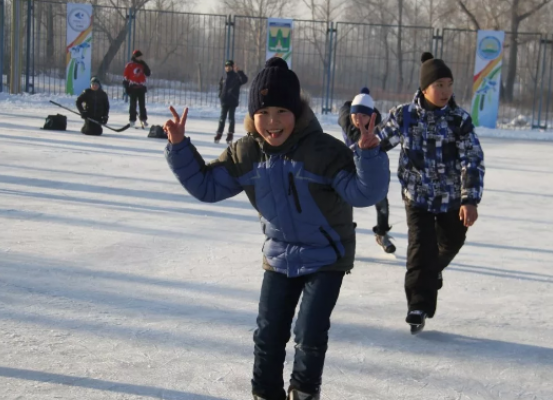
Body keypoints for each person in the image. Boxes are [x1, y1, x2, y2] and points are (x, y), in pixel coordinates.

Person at [163, 57, 389, 400]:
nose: (272, 122)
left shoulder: (323, 150)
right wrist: (180, 148)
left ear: (296, 113)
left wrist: (369, 156)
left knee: (309, 331)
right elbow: (207, 187)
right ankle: (265, 393)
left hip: (327, 255)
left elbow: (364, 193)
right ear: (253, 116)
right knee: (268, 334)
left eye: (282, 111)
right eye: (263, 113)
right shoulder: (247, 154)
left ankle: (304, 392)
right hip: (280, 255)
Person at [378, 52, 485, 334]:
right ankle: (418, 306)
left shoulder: (459, 120)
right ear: (424, 88)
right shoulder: (403, 116)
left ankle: (432, 270)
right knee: (419, 249)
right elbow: (376, 143)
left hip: (451, 198)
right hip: (418, 196)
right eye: (439, 85)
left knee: (452, 241)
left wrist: (469, 199)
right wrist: (360, 146)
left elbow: (472, 159)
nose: (446, 91)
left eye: (449, 84)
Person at [338, 87, 395, 253]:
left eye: (364, 116)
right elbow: (352, 131)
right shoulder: (346, 122)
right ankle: (345, 229)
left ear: (371, 117)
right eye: (355, 116)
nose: (359, 120)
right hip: (351, 164)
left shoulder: (376, 128)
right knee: (345, 196)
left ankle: (382, 232)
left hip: (371, 165)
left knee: (380, 197)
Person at [215, 60, 249, 144]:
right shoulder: (224, 76)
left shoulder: (236, 76)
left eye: (229, 66)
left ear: (232, 67)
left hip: (232, 101)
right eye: (226, 66)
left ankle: (230, 134)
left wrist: (239, 71)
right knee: (222, 118)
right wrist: (220, 95)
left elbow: (244, 80)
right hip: (224, 100)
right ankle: (219, 133)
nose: (227, 68)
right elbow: (220, 86)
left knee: (231, 118)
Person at [123, 49, 151, 129]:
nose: (141, 58)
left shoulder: (142, 64)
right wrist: (126, 86)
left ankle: (143, 119)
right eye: (139, 57)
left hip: (141, 87)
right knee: (133, 105)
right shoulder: (130, 65)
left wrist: (145, 66)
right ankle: (132, 119)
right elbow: (126, 77)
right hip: (133, 87)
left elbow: (148, 73)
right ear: (136, 57)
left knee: (142, 105)